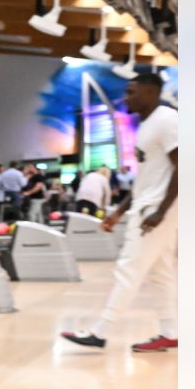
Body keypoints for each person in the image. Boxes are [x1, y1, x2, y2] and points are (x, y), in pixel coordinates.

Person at [62, 73, 178, 353]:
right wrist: (118, 211)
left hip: (156, 208)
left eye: (131, 92)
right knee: (160, 273)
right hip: (148, 203)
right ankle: (171, 333)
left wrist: (161, 211)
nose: (126, 98)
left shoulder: (166, 120)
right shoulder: (148, 124)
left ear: (150, 92)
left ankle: (100, 332)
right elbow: (144, 178)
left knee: (129, 267)